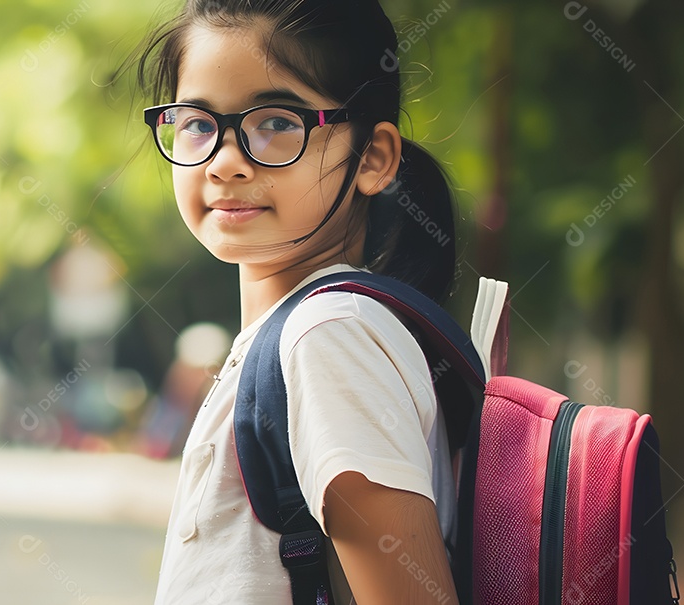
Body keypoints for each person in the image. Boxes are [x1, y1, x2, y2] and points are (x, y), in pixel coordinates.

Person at [131, 0, 460, 602]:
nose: (225, 162)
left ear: (373, 158)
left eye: (278, 122)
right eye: (197, 124)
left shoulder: (329, 337)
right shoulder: (295, 337)